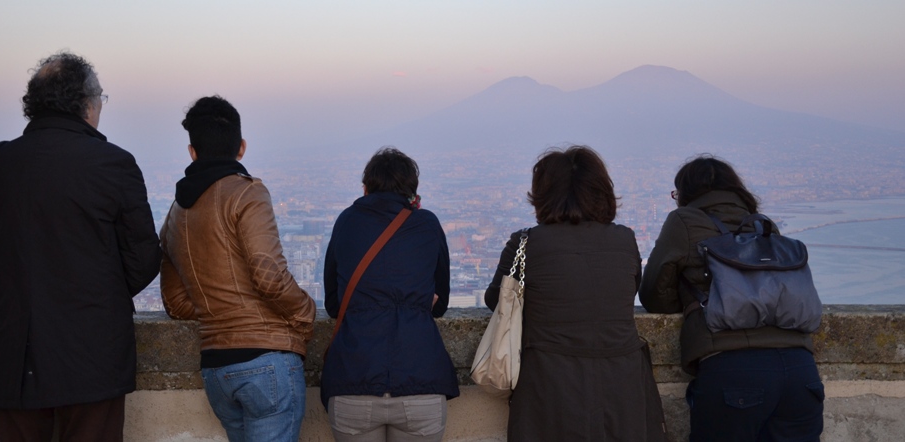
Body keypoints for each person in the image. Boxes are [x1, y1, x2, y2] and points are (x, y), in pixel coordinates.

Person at [0, 52, 162, 441]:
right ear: (87, 104)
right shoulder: (113, 163)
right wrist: (96, 298)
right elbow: (143, 259)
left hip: (12, 357)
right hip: (93, 355)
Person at [160, 95, 316, 441]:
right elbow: (268, 274)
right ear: (241, 147)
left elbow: (175, 302)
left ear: (192, 151)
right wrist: (305, 312)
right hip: (265, 361)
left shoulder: (175, 214)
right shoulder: (247, 194)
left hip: (216, 367)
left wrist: (220, 315)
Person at [485, 146, 666, 442]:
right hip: (624, 382)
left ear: (542, 195)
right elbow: (627, 290)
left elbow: (497, 301)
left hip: (549, 384)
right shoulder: (625, 240)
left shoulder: (527, 243)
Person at [639, 155, 823, 441]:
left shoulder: (684, 220)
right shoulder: (764, 226)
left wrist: (692, 297)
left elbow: (654, 295)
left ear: (684, 194)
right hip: (801, 371)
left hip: (734, 371)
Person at [321, 147, 459, 442]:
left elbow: (333, 305)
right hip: (420, 378)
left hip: (353, 379)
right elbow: (441, 302)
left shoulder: (346, 221)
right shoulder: (428, 224)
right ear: (413, 192)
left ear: (365, 187)